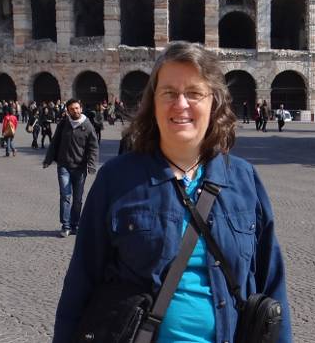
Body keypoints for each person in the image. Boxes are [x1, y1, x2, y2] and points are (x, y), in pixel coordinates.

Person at [51, 42, 292, 343]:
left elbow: (271, 284)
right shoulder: (117, 179)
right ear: (153, 103)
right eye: (169, 93)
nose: (181, 104)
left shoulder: (243, 179)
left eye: (194, 93)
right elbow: (80, 285)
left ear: (214, 103)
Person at [42, 99, 99, 238]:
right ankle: (66, 226)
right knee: (65, 196)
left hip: (80, 167)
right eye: (72, 109)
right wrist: (48, 159)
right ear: (68, 110)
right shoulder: (64, 123)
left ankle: (75, 225)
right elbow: (55, 141)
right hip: (64, 165)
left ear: (81, 108)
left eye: (77, 108)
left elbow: (93, 147)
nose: (76, 111)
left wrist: (91, 165)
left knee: (78, 199)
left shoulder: (87, 125)